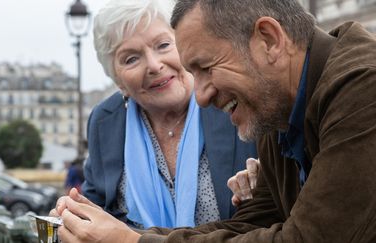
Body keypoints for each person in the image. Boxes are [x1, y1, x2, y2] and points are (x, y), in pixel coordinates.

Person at [51, 0, 376, 242]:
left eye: (206, 67)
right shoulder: (274, 105)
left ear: (269, 40)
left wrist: (132, 241)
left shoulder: (364, 88)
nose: (201, 96)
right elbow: (250, 224)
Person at [78, 0, 257, 230]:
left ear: (184, 45)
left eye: (163, 45)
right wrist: (75, 217)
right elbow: (96, 210)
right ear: (118, 81)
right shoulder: (105, 121)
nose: (154, 65)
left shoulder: (230, 96)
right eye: (131, 59)